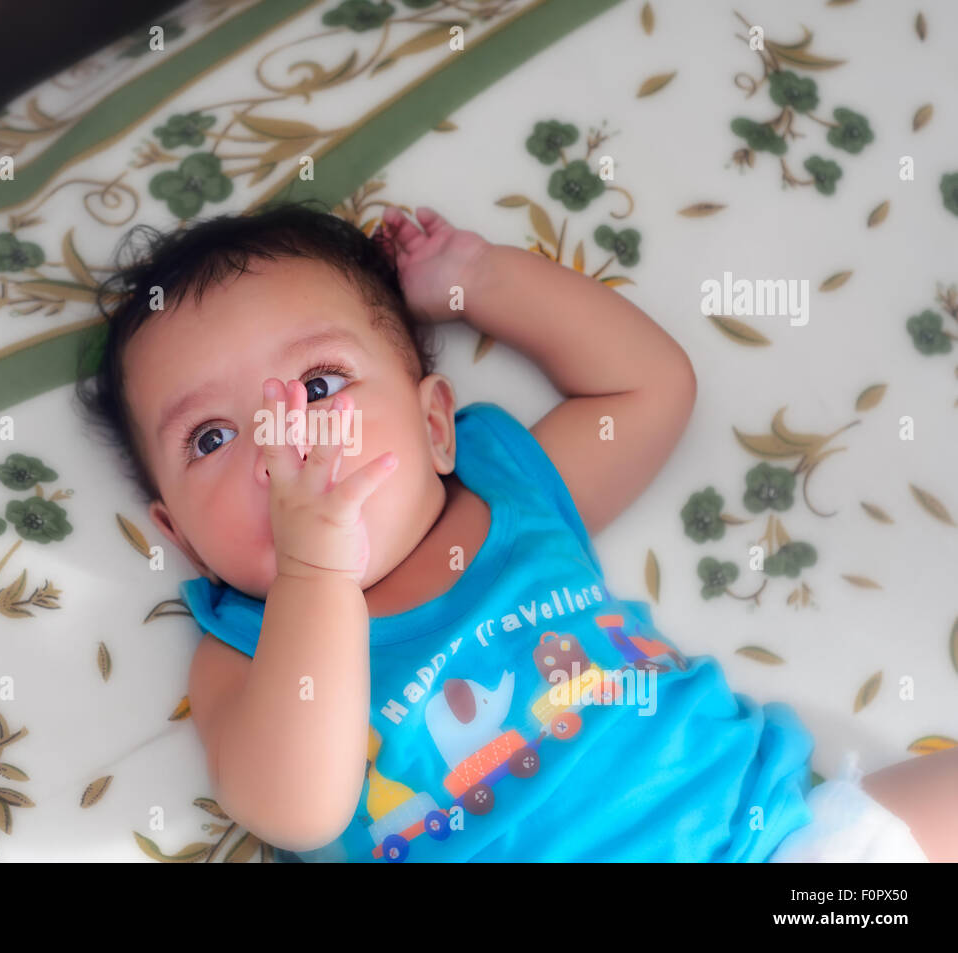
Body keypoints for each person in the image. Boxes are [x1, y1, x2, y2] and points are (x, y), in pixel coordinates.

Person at [76, 199, 955, 862]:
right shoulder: (244, 649)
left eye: (317, 386)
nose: (282, 443)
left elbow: (648, 388)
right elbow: (296, 805)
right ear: (179, 533)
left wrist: (479, 280)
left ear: (434, 427)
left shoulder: (512, 491)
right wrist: (314, 572)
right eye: (212, 438)